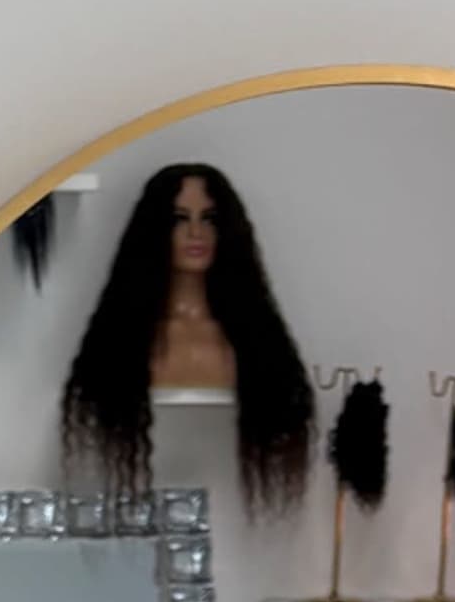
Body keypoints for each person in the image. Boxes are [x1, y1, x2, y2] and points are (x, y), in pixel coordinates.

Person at [59, 161, 314, 517]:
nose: (196, 232)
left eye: (209, 219)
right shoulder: (121, 343)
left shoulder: (257, 342)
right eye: (180, 219)